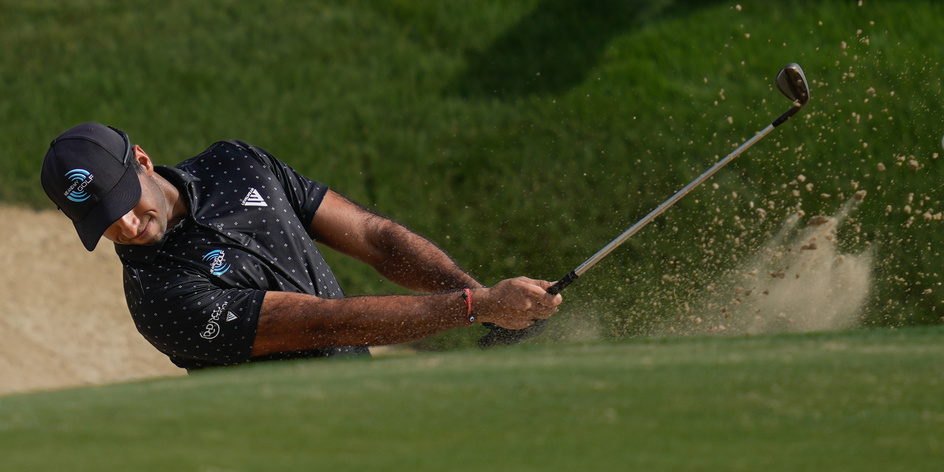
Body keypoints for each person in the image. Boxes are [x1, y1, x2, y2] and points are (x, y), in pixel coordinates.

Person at [40, 123, 561, 371]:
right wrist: (480, 307)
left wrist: (484, 300)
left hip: (362, 397)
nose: (127, 225)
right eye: (104, 221)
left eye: (125, 200)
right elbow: (326, 323)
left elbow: (376, 240)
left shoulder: (234, 165)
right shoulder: (158, 297)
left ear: (143, 161)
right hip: (283, 458)